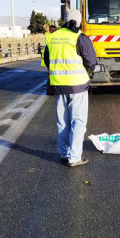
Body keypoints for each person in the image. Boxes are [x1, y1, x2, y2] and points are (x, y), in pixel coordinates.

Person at [45, 9, 97, 167]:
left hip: (59, 87)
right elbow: (91, 62)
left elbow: (48, 60)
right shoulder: (79, 37)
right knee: (78, 122)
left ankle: (63, 153)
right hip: (77, 87)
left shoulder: (53, 38)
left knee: (62, 122)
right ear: (79, 21)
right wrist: (86, 74)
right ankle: (74, 157)